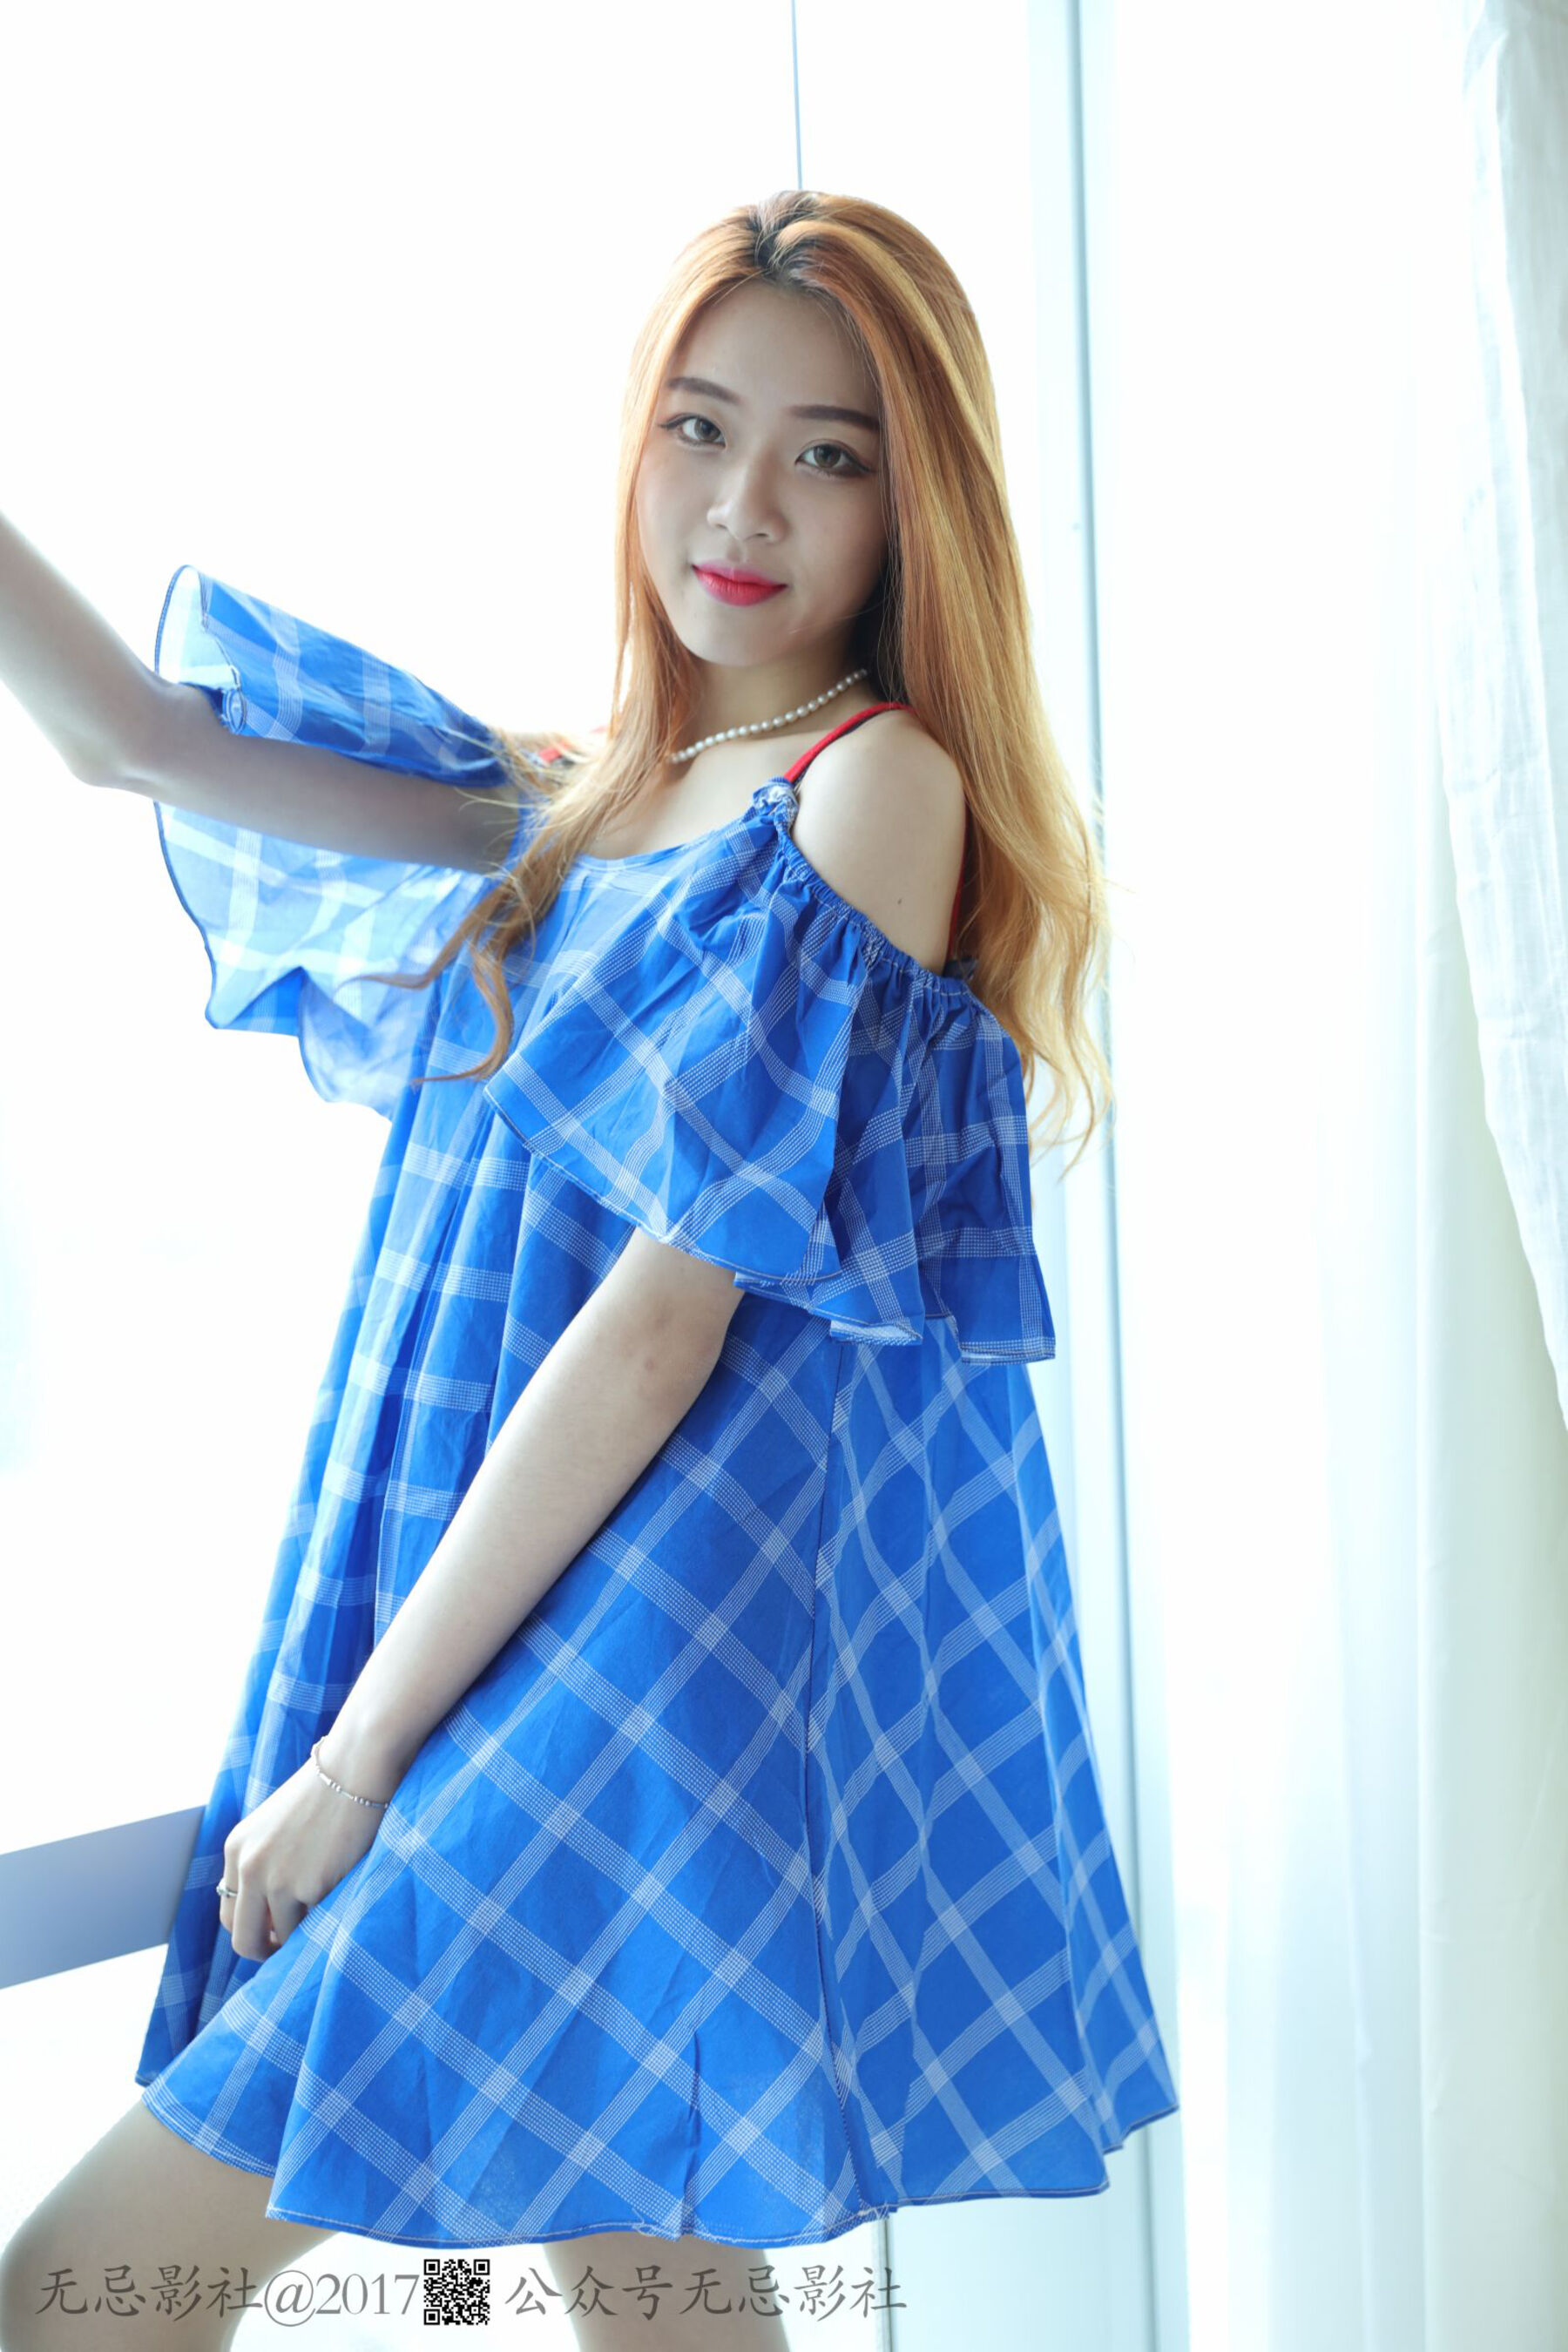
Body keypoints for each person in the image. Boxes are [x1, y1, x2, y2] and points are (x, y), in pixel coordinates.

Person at [0, 189, 1177, 2352]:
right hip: (506, 1600)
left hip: (637, 1646)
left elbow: (660, 1326)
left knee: (79, 2289)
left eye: (829, 454)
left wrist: (359, 1757)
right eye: (700, 427)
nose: (745, 508)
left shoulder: (870, 788)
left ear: (913, 505)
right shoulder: (571, 799)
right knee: (652, 2291)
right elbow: (137, 745)